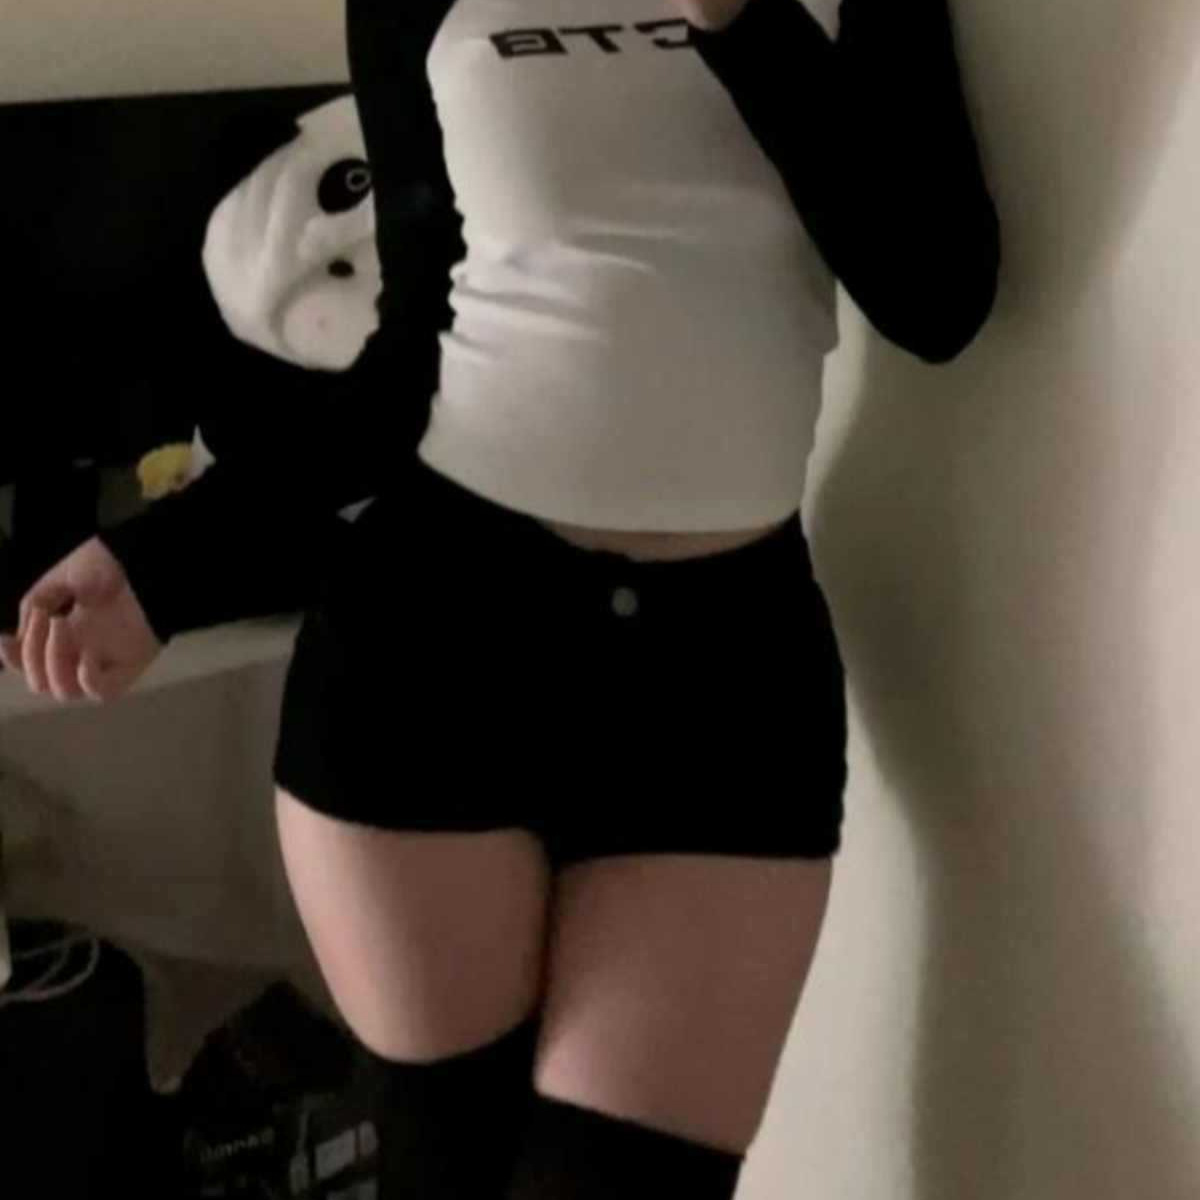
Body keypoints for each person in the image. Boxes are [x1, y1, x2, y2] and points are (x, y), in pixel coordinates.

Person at [0, 0, 1000, 1194]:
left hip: (728, 680)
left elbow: (936, 293)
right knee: (450, 1171)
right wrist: (166, 565)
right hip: (439, 641)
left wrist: (745, 23)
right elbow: (406, 363)